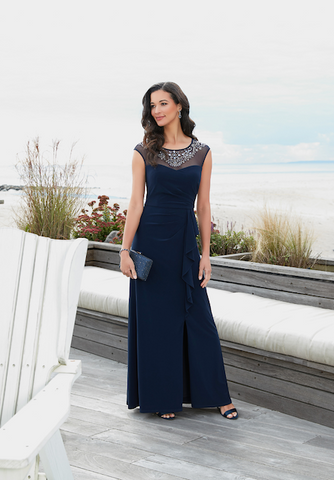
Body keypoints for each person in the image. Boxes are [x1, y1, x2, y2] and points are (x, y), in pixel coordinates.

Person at [120, 82, 238, 420]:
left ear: (179, 106)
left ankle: (218, 395)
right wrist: (125, 250)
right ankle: (161, 398)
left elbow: (204, 206)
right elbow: (135, 203)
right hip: (151, 245)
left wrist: (206, 254)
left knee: (199, 319)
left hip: (185, 244)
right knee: (157, 323)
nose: (156, 111)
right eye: (152, 106)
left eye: (162, 104)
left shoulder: (202, 152)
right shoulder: (143, 151)